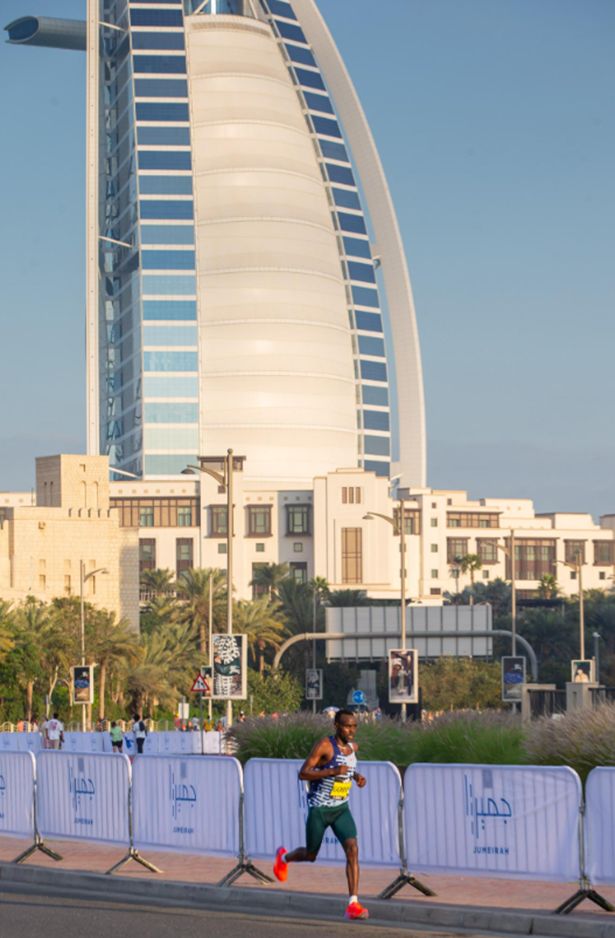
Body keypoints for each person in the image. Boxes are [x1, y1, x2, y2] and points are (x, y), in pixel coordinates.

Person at [272, 708, 369, 921]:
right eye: (347, 726)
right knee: (310, 855)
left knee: (352, 849)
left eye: (354, 726)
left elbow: (348, 769)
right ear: (336, 726)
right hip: (320, 810)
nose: (351, 730)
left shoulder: (352, 748)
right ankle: (284, 858)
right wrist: (332, 771)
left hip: (341, 809)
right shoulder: (325, 746)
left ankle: (353, 903)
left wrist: (357, 777)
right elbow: (303, 773)